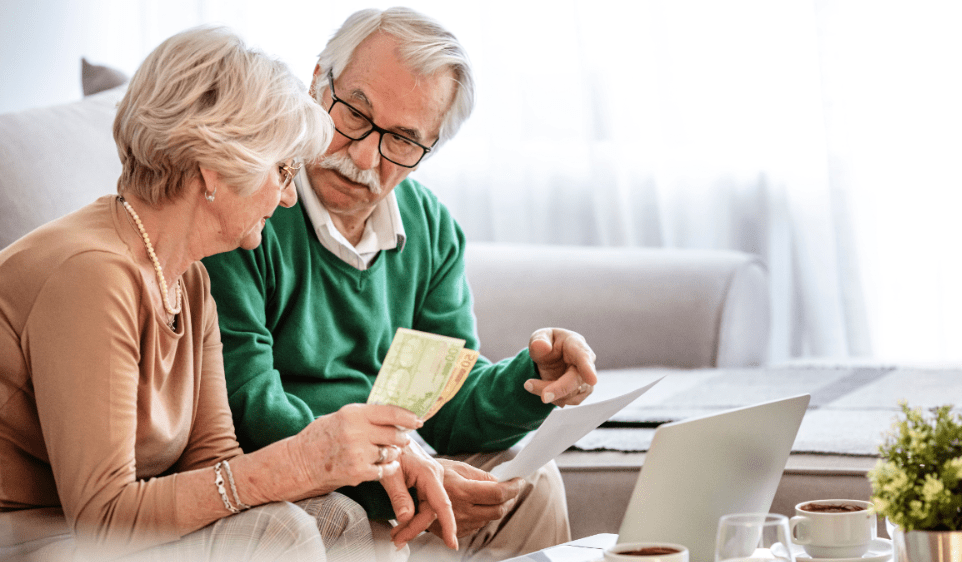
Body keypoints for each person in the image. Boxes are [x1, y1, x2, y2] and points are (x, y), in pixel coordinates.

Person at [0, 25, 457, 562]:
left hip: (94, 523)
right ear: (215, 168)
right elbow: (103, 516)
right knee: (282, 532)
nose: (289, 197)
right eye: (282, 170)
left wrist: (353, 457)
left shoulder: (189, 279)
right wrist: (304, 462)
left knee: (333, 520)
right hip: (30, 527)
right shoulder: (91, 274)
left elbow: (214, 461)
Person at [200, 7, 599, 561]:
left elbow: (448, 402)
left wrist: (532, 380)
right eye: (355, 115)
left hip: (395, 464)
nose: (364, 156)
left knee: (530, 482)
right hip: (293, 471)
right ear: (318, 81)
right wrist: (396, 473)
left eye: (403, 141)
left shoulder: (431, 229)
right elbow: (245, 404)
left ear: (430, 149)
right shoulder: (250, 206)